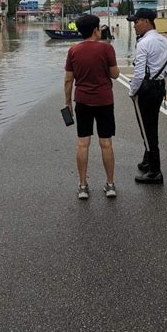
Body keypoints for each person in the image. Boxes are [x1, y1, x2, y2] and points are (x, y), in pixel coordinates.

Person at [64, 14, 120, 199]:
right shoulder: (107, 49)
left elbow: (68, 80)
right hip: (104, 101)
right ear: (96, 29)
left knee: (83, 143)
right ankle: (110, 185)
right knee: (105, 143)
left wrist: (67, 102)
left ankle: (82, 186)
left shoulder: (73, 50)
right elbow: (115, 75)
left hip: (82, 101)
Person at [127, 8, 167, 184]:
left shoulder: (143, 43)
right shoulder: (165, 40)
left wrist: (132, 91)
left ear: (146, 21)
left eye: (136, 22)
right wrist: (158, 76)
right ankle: (147, 161)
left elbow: (139, 74)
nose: (134, 26)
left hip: (146, 90)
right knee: (151, 125)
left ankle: (155, 171)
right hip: (159, 88)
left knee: (147, 129)